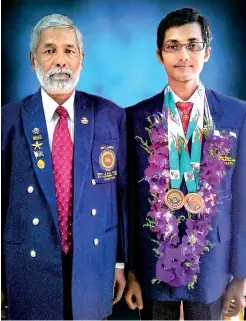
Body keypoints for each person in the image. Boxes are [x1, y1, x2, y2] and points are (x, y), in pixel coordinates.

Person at [1, 13, 127, 320]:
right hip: (28, 270)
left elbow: (121, 199)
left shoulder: (110, 116)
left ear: (81, 59)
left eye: (69, 51)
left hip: (94, 266)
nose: (60, 60)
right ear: (33, 60)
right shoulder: (7, 121)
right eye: (49, 50)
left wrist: (121, 263)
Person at [125, 7, 246, 320]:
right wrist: (131, 272)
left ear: (207, 51)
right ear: (159, 54)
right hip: (152, 261)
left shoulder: (236, 115)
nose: (183, 54)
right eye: (173, 45)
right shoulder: (135, 117)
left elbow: (244, 199)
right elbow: (128, 202)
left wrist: (241, 277)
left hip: (213, 265)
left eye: (193, 45)